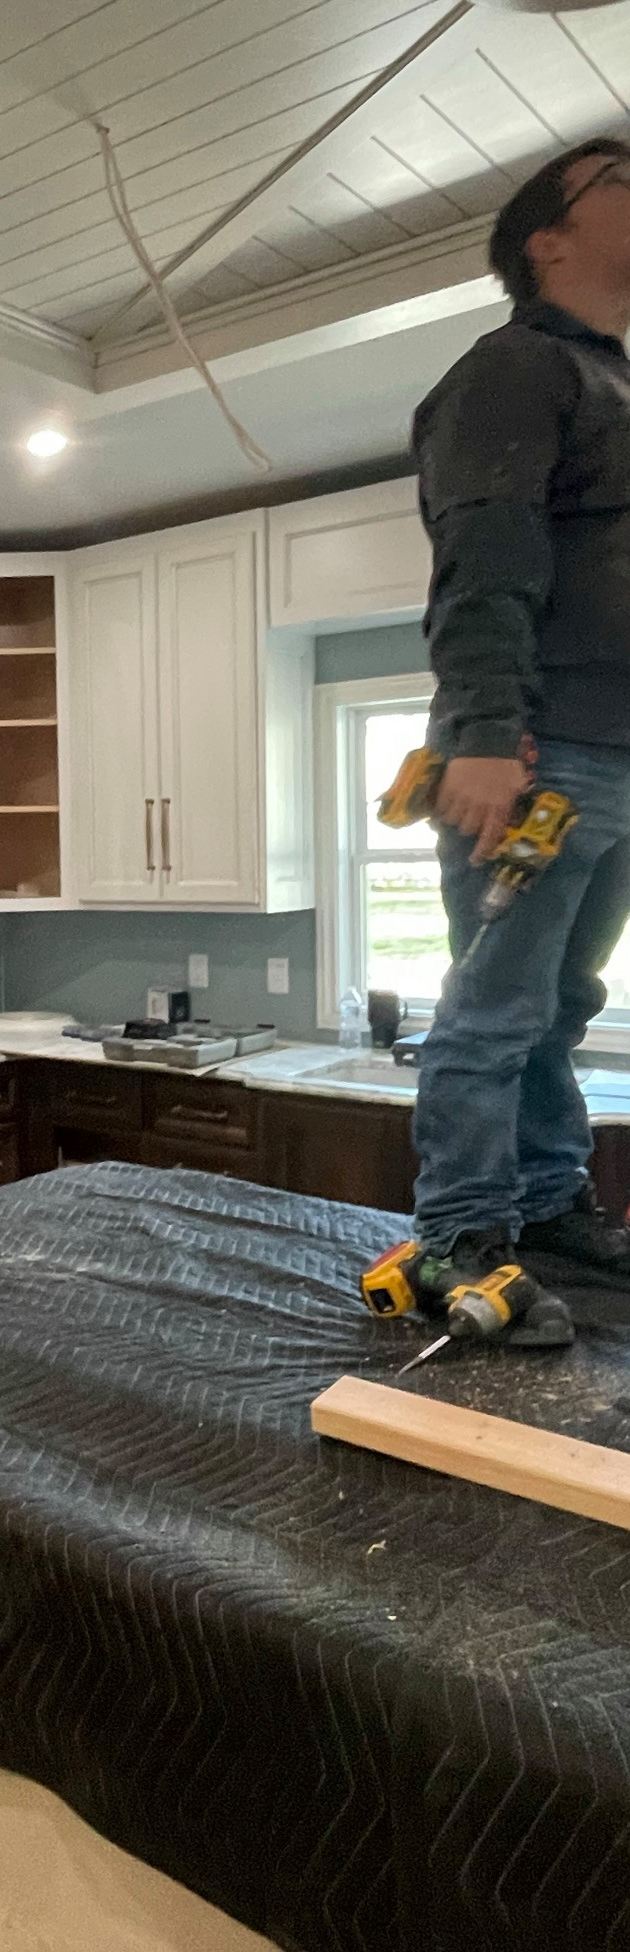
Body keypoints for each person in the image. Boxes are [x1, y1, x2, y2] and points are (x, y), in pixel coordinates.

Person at [411, 136, 630, 1308]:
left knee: (563, 1005)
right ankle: (457, 1238)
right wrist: (487, 732)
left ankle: (547, 1208)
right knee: (494, 1010)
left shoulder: (615, 382)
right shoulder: (514, 369)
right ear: (548, 237)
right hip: (541, 749)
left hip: (617, 754)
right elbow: (487, 553)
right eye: (624, 178)